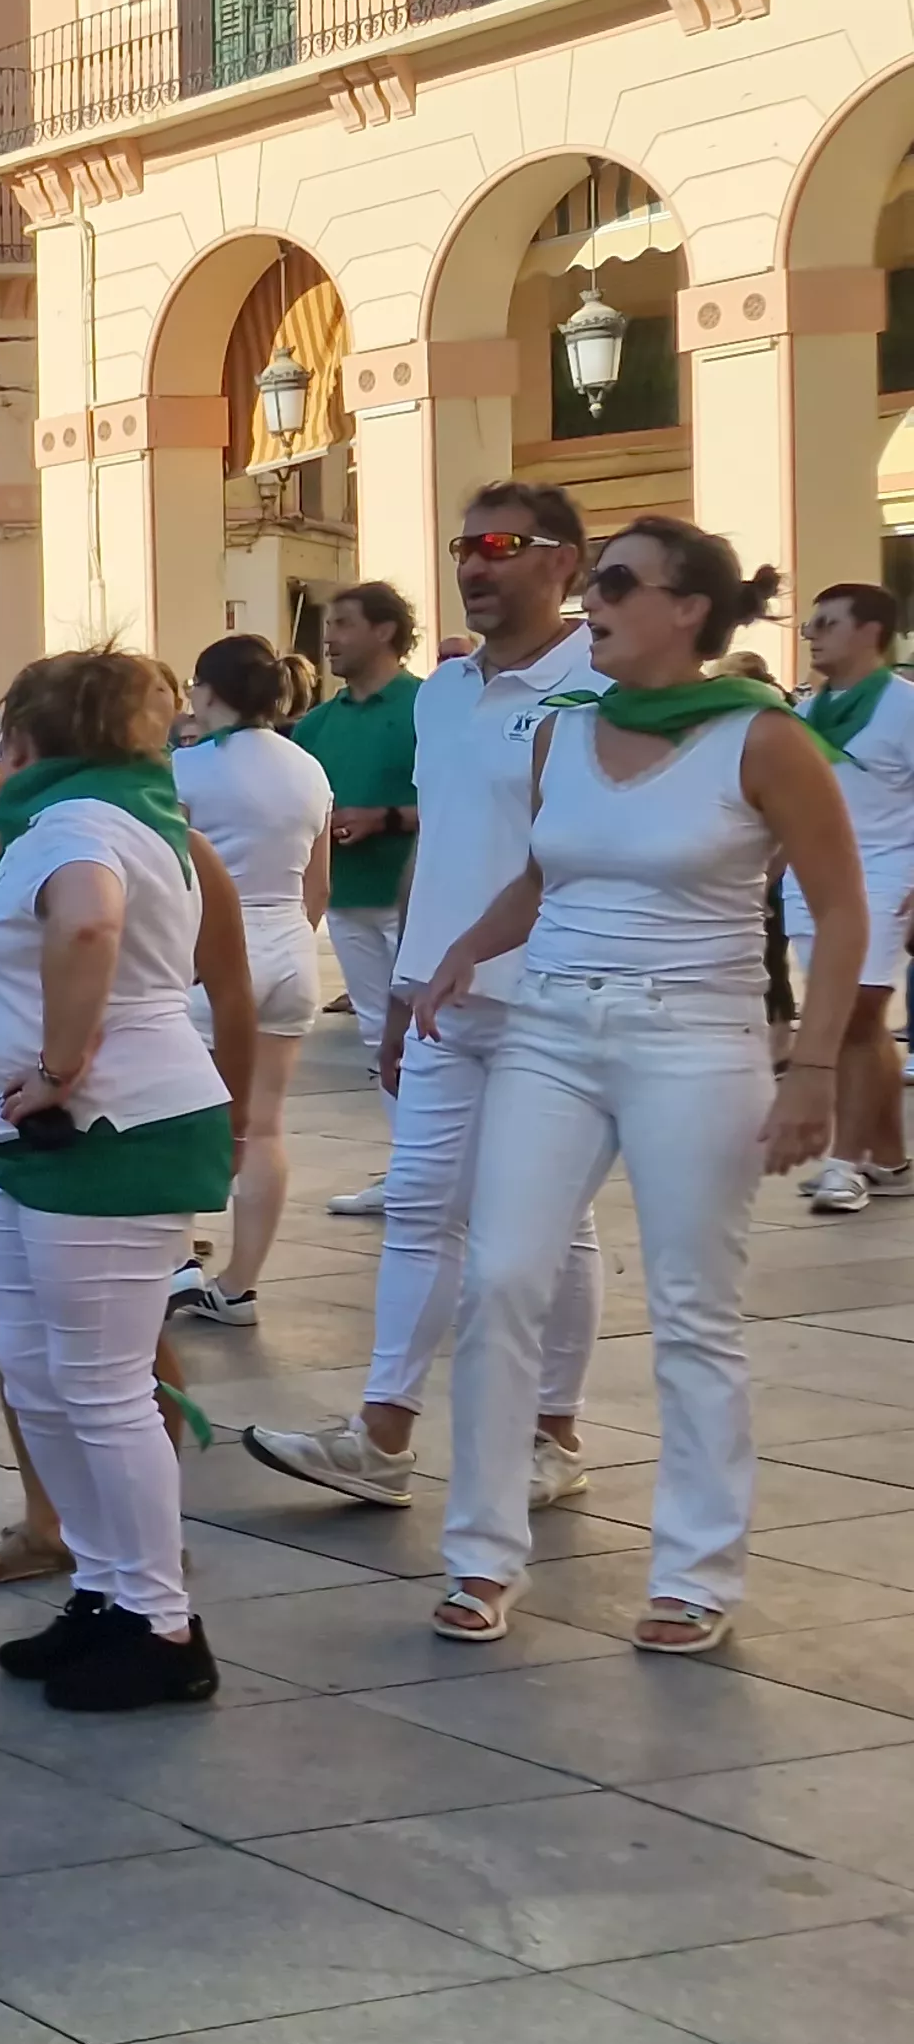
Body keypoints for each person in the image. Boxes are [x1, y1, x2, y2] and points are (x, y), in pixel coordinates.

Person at [411, 523, 859, 1653]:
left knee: (693, 1306)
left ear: (687, 610)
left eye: (615, 583)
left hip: (694, 1038)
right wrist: (467, 945)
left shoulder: (760, 738)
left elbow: (840, 906)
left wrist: (809, 1066)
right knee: (500, 1277)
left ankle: (697, 1570)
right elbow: (545, 869)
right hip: (551, 1025)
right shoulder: (562, 733)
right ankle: (479, 1553)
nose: (591, 601)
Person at [243, 489, 606, 1516]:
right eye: (463, 546)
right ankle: (381, 1434)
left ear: (561, 562)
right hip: (445, 994)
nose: (474, 565)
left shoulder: (595, 682)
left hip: (553, 996)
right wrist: (404, 986)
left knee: (553, 1222)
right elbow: (442, 843)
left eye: (500, 545)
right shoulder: (444, 693)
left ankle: (553, 1432)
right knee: (419, 1206)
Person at [0, 652, 237, 1712]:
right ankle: (104, 1587)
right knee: (43, 1374)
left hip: (106, 1131)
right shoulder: (111, 817)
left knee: (97, 1386)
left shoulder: (80, 826)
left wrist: (57, 1063)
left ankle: (159, 1619)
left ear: (30, 742)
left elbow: (87, 923)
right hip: (56, 1141)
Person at [164, 637, 334, 1325]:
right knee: (264, 1125)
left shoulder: (188, 769)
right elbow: (319, 885)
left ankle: (175, 1260)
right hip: (290, 942)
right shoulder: (309, 768)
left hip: (211, 948)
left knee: (177, 1112)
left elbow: (169, 875)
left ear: (208, 691)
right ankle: (240, 1285)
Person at [787, 583, 914, 1213]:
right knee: (858, 1026)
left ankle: (845, 1161)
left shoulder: (904, 707)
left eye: (826, 623)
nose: (811, 634)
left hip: (885, 880)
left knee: (856, 1017)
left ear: (870, 632)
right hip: (811, 884)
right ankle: (888, 1156)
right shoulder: (808, 711)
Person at [298, 582, 423, 1218]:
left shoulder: (428, 707)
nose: (330, 637)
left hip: (420, 898)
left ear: (383, 631)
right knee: (381, 1037)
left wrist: (388, 818)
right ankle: (409, 1167)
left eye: (343, 623)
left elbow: (462, 801)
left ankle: (439, 1166)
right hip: (349, 899)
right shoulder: (319, 724)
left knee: (436, 1035)